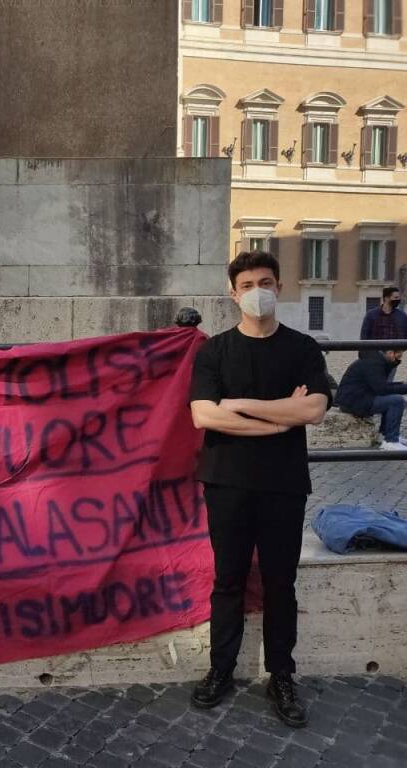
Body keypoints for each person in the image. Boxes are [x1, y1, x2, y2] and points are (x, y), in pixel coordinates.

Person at [188, 251, 330, 729]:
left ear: (280, 286)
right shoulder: (213, 351)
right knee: (227, 581)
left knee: (279, 585)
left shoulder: (303, 349)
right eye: (247, 284)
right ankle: (220, 670)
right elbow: (204, 415)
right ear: (233, 293)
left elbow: (312, 411)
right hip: (226, 481)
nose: (257, 291)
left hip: (284, 485)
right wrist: (276, 421)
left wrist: (243, 406)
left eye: (265, 281)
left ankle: (282, 675)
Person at [335, 350, 407, 451]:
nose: (400, 358)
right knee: (397, 401)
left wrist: (401, 384)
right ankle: (390, 440)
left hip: (358, 397)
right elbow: (382, 389)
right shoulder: (374, 363)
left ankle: (385, 434)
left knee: (393, 398)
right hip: (355, 401)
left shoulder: (377, 361)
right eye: (399, 355)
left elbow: (380, 385)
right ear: (390, 353)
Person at [359, 286, 407, 358]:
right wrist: (364, 354)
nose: (398, 300)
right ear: (386, 298)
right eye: (395, 297)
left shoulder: (402, 316)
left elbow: (405, 335)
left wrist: (399, 351)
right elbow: (364, 336)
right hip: (373, 355)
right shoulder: (371, 315)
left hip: (392, 357)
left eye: (398, 297)